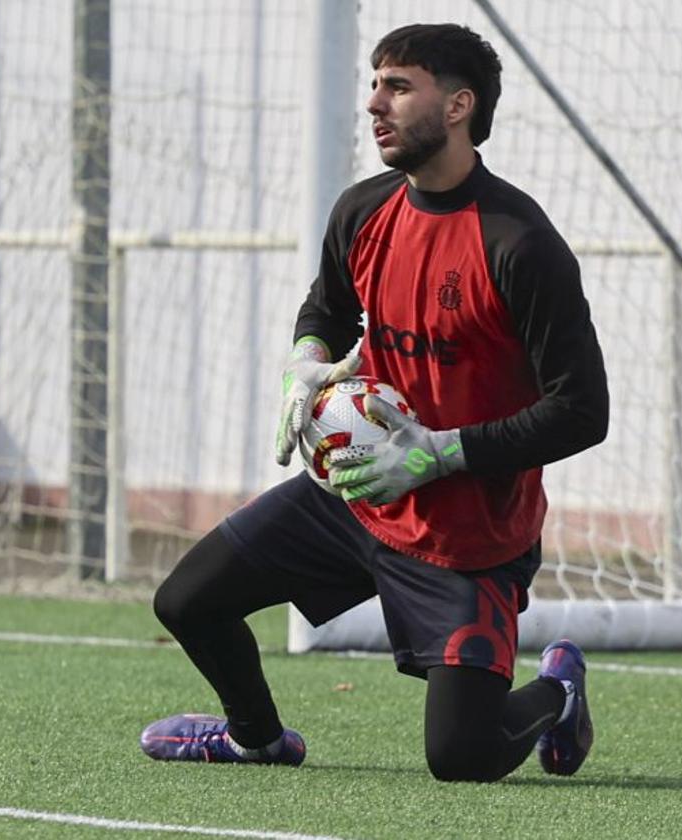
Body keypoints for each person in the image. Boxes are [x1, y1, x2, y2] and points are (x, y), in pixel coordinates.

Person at [140, 22, 608, 782]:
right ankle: (255, 736)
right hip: (354, 498)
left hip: (468, 537)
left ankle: (555, 690)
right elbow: (327, 310)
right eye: (374, 82)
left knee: (463, 758)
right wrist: (306, 365)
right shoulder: (363, 210)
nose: (374, 103)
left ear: (459, 105)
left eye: (398, 86)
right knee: (187, 601)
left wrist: (438, 453)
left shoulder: (520, 244)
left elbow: (584, 410)